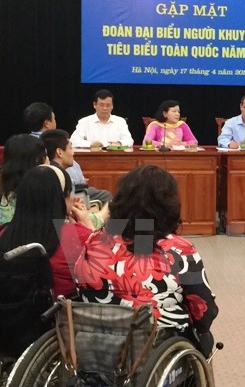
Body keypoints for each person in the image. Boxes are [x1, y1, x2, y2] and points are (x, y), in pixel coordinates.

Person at [74, 165, 218, 358]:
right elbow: (204, 310)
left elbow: (79, 285)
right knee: (205, 338)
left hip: (99, 342)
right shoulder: (179, 249)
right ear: (168, 206)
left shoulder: (95, 241)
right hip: (155, 347)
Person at [0, 164, 94, 358]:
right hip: (57, 327)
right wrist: (89, 228)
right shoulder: (72, 237)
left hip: (9, 327)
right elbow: (100, 279)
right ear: (60, 200)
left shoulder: (3, 233)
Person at [25, 102, 112, 206]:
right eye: (54, 119)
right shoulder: (50, 143)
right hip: (71, 193)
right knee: (107, 197)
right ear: (47, 123)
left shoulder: (26, 143)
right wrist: (78, 181)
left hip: (69, 190)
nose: (73, 152)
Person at [40, 129, 109, 229]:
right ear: (59, 152)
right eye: (70, 148)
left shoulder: (44, 174)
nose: (73, 153)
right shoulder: (61, 178)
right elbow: (69, 220)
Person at [0, 134, 48, 224]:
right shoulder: (50, 195)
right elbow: (66, 233)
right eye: (45, 156)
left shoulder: (6, 195)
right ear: (38, 161)